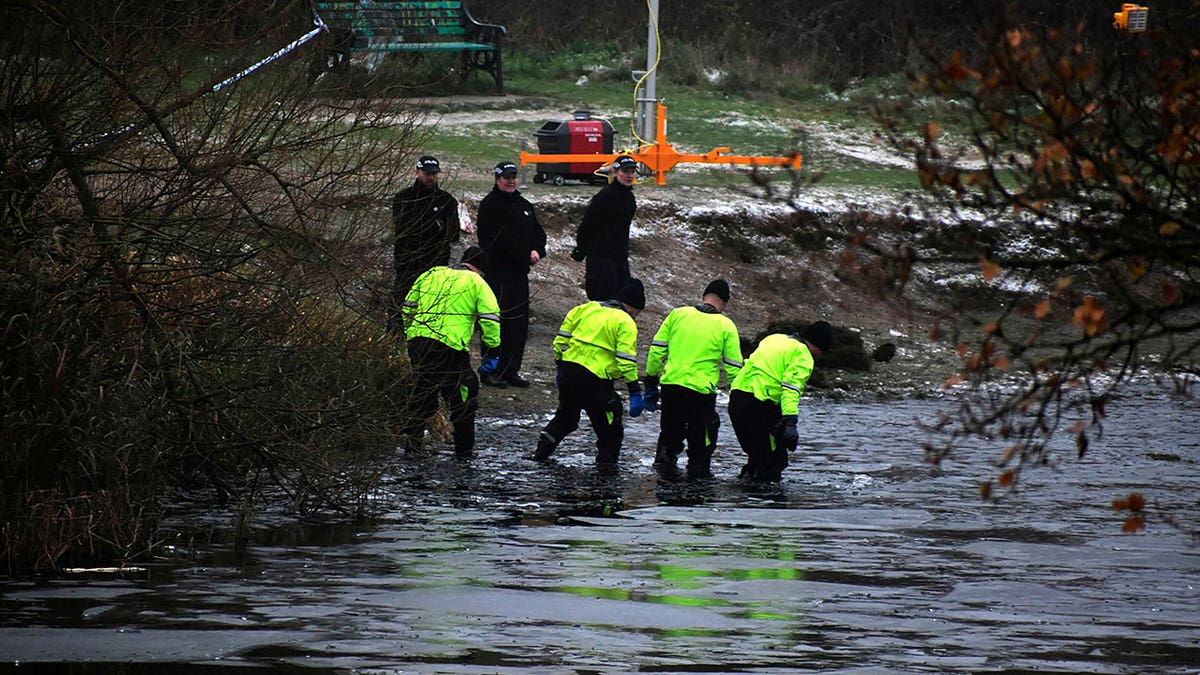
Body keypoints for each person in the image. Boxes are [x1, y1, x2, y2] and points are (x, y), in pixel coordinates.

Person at [534, 278, 648, 469]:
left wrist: (560, 366)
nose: (636, 316)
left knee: (566, 418)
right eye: (637, 312)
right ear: (633, 307)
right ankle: (606, 476)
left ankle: (539, 457)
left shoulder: (585, 308)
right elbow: (625, 359)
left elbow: (560, 341)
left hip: (569, 373)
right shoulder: (625, 321)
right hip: (596, 381)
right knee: (610, 428)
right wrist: (634, 390)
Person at [399, 246, 501, 457]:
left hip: (419, 343)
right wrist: (492, 348)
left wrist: (411, 334)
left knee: (422, 392)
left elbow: (408, 307)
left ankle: (412, 446)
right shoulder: (477, 283)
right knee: (464, 394)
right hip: (450, 346)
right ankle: (464, 452)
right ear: (480, 269)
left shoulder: (431, 274)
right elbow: (491, 319)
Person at [644, 279, 744, 479]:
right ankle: (697, 491)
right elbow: (733, 366)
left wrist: (651, 380)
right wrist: (739, 392)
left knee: (669, 437)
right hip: (701, 392)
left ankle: (664, 486)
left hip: (672, 386)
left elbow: (657, 350)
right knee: (701, 446)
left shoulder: (678, 314)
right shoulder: (726, 325)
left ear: (704, 296)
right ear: (724, 303)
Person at [728, 321, 833, 482]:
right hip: (759, 404)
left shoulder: (774, 339)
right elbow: (791, 390)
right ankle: (768, 503)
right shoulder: (803, 355)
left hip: (737, 400)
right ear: (820, 347)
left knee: (757, 456)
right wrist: (791, 424)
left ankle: (745, 495)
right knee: (773, 463)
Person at [475, 161, 547, 388]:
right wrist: (524, 254)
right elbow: (492, 241)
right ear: (497, 179)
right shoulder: (490, 205)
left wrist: (537, 250)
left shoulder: (523, 205)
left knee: (518, 325)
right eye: (506, 177)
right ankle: (490, 370)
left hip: (519, 274)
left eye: (514, 177)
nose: (511, 180)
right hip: (498, 273)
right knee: (496, 323)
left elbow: (539, 233)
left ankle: (511, 369)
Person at [391, 155, 461, 328]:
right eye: (427, 173)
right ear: (417, 172)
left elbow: (453, 233)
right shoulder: (404, 198)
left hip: (436, 265)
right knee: (401, 306)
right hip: (408, 263)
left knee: (431, 309)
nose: (431, 177)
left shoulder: (447, 201)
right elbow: (405, 230)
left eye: (434, 174)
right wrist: (434, 226)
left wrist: (434, 229)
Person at [570, 155, 638, 302]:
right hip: (601, 257)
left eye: (632, 172)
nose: (629, 175)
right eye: (626, 171)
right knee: (603, 299)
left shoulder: (629, 197)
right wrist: (581, 249)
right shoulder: (605, 196)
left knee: (621, 300)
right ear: (615, 172)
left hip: (620, 257)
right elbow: (588, 225)